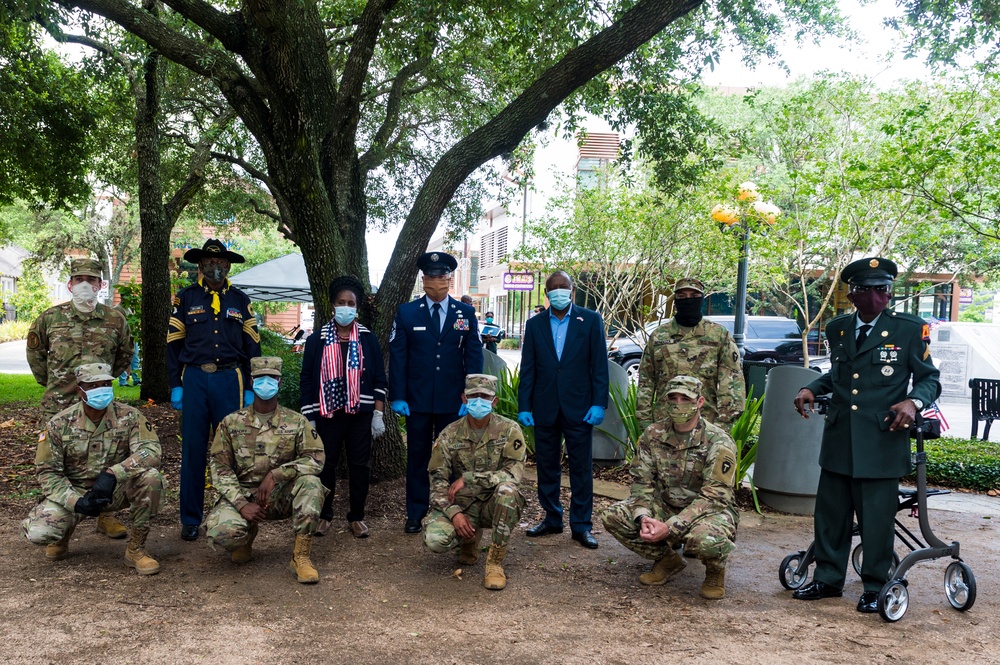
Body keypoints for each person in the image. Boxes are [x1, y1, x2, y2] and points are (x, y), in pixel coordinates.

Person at [791, 257, 941, 613]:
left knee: (875, 520)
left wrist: (913, 402)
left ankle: (876, 585)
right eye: (868, 290)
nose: (878, 297)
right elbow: (840, 376)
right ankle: (827, 579)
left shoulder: (909, 329)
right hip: (841, 437)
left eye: (883, 290)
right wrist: (811, 387)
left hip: (882, 438)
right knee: (831, 515)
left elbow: (929, 379)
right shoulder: (838, 328)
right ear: (853, 294)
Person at [601, 376, 739, 599]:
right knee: (613, 516)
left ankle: (715, 570)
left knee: (705, 539)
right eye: (673, 398)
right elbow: (641, 481)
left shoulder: (718, 441)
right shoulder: (653, 434)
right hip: (666, 504)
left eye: (685, 398)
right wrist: (644, 516)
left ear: (700, 402)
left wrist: (672, 527)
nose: (678, 403)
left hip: (708, 511)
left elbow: (715, 496)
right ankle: (667, 560)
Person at [21, 363, 164, 575]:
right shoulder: (59, 424)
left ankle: (136, 549)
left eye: (106, 384)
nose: (102, 389)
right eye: (94, 385)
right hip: (75, 491)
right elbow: (48, 473)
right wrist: (76, 501)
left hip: (115, 490)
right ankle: (62, 535)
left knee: (151, 478)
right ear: (80, 390)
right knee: (39, 532)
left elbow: (150, 451)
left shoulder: (130, 417)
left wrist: (115, 473)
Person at [167, 238, 262, 541]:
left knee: (231, 451)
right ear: (200, 265)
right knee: (193, 450)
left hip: (229, 380)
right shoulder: (185, 298)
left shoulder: (240, 300)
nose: (215, 266)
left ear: (228, 264)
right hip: (195, 380)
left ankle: (231, 512)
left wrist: (251, 386)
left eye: (220, 261)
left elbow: (253, 347)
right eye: (209, 261)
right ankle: (191, 518)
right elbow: (172, 345)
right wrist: (175, 385)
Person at [206, 356, 326, 584]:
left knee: (311, 483)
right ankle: (245, 536)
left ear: (280, 383)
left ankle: (300, 556)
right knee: (224, 534)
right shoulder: (231, 422)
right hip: (242, 495)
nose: (266, 383)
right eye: (261, 378)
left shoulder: (297, 422)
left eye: (272, 378)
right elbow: (219, 467)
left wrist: (277, 474)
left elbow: (316, 459)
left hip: (280, 495)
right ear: (251, 381)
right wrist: (241, 504)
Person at [389, 251, 484, 534]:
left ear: (449, 279)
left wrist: (472, 395)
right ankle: (415, 514)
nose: (436, 282)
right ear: (423, 280)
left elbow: (474, 356)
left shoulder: (465, 313)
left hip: (452, 401)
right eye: (431, 277)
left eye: (441, 277)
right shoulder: (407, 312)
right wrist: (398, 395)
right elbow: (398, 356)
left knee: (453, 459)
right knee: (418, 458)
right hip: (416, 400)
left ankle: (451, 512)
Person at [518, 270, 609, 549]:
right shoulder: (535, 325)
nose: (559, 291)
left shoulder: (591, 320)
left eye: (564, 286)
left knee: (581, 468)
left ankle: (581, 525)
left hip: (580, 407)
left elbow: (599, 367)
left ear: (572, 291)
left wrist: (598, 403)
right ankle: (551, 518)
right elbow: (528, 369)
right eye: (553, 287)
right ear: (546, 294)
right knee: (547, 466)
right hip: (545, 407)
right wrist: (525, 406)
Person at [300, 275, 387, 538]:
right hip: (328, 414)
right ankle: (325, 515)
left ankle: (356, 517)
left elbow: (380, 379)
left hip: (361, 414)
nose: (346, 307)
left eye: (351, 303)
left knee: (360, 466)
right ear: (332, 306)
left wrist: (378, 414)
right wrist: (310, 416)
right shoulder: (317, 340)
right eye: (341, 302)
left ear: (357, 307)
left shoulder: (368, 340)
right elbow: (307, 379)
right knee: (326, 465)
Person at [424, 374, 527, 590]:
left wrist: (470, 478)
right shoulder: (449, 434)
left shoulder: (510, 430)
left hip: (494, 503)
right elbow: (437, 481)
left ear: (494, 401)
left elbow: (513, 475)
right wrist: (454, 513)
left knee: (508, 492)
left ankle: (495, 562)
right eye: (473, 396)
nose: (479, 400)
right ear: (464, 398)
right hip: (464, 505)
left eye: (485, 396)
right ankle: (469, 540)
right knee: (435, 541)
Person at [27, 258, 133, 420]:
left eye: (91, 280)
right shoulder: (50, 317)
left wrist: (102, 379)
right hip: (57, 405)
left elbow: (124, 355)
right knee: (52, 446)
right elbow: (35, 354)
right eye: (79, 279)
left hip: (98, 407)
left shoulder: (115, 320)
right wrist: (55, 380)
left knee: (98, 445)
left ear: (100, 284)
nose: (84, 285)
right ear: (70, 284)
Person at [636, 277, 744, 431]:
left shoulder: (718, 335)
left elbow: (732, 381)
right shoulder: (659, 336)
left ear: (702, 299)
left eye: (694, 296)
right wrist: (645, 421)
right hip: (664, 423)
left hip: (706, 422)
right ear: (675, 300)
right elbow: (646, 381)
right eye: (682, 296)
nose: (688, 300)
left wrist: (723, 424)